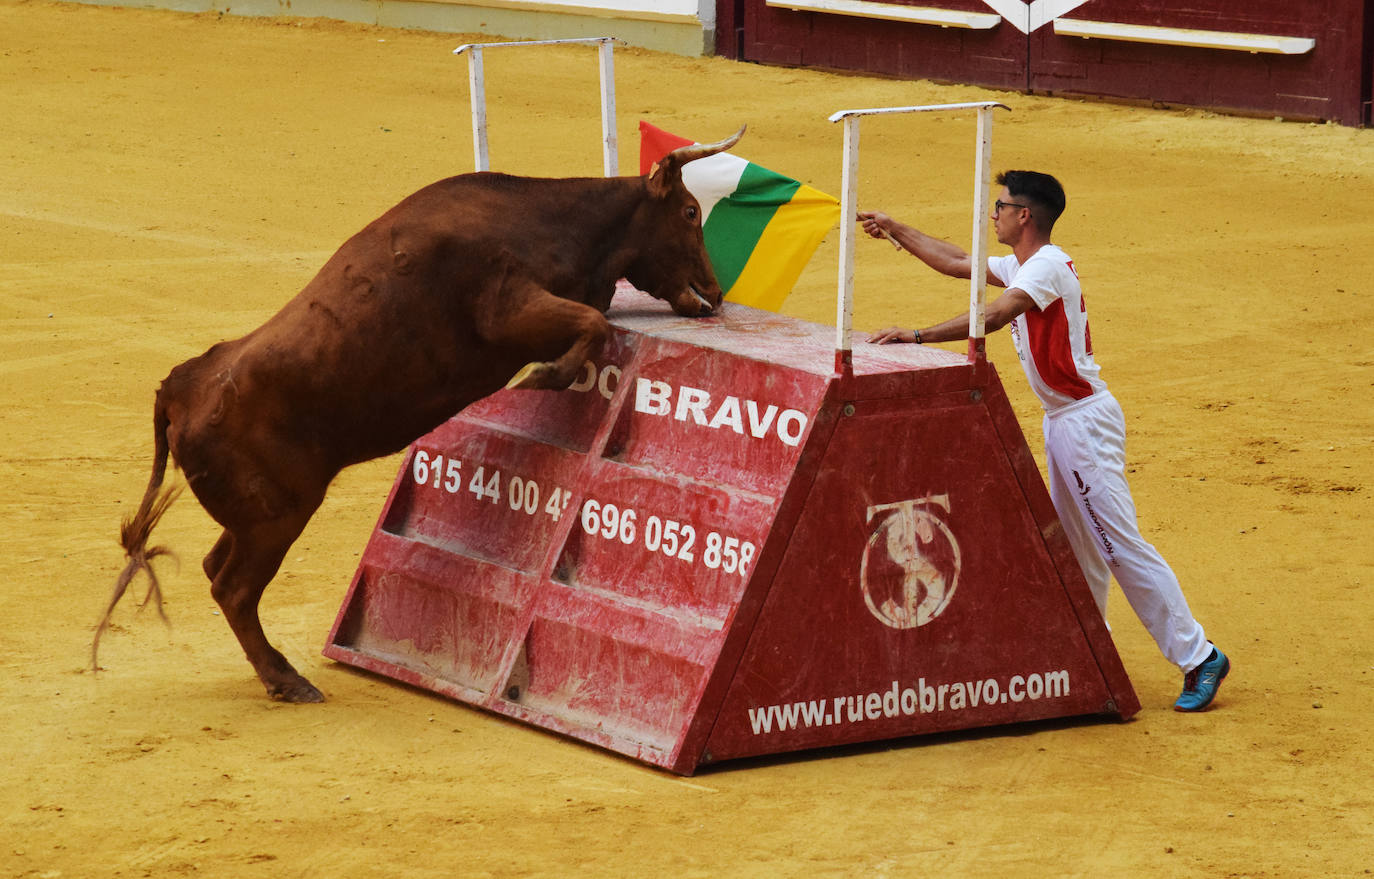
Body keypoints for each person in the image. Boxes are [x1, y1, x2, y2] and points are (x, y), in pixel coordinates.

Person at [860, 170, 1229, 712]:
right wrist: (897, 228)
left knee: (1119, 546)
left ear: (1024, 215)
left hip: (1084, 422)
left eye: (1001, 206)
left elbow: (995, 314)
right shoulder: (1023, 264)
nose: (995, 214)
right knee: (1078, 549)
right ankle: (1092, 652)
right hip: (1063, 421)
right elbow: (956, 261)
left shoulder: (1048, 266)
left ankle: (1200, 657)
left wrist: (918, 337)